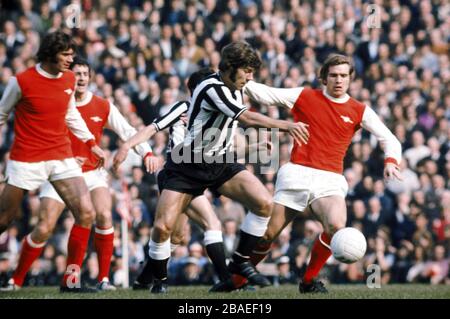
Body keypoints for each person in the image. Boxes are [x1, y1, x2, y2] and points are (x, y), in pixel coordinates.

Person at [132, 41, 309, 293]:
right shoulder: (211, 87)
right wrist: (286, 125)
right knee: (165, 229)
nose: (250, 78)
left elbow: (235, 129)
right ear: (229, 68)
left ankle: (238, 263)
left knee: (264, 203)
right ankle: (158, 281)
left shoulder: (238, 87)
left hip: (219, 162)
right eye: (246, 71)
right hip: (186, 166)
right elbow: (246, 117)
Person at [229, 53, 403, 293]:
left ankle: (308, 281)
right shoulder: (305, 95)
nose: (339, 80)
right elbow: (266, 93)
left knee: (336, 225)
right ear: (324, 78)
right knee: (268, 234)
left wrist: (391, 161)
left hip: (330, 179)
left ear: (351, 79)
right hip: (297, 173)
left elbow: (389, 139)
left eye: (344, 76)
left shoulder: (359, 110)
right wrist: (239, 77)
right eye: (334, 75)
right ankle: (237, 282)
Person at [0, 57, 157, 292]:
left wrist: (146, 153)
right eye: (77, 74)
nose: (81, 78)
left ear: (90, 78)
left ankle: (102, 279)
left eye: (85, 74)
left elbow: (127, 131)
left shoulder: (103, 105)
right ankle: (17, 280)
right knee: (44, 227)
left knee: (103, 214)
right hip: (58, 173)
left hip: (92, 173)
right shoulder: (57, 103)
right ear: (69, 77)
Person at [0, 31, 106, 292]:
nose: (71, 60)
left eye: (72, 54)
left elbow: (70, 114)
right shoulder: (21, 81)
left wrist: (92, 143)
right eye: (65, 54)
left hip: (61, 156)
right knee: (4, 219)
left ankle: (70, 281)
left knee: (87, 213)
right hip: (26, 159)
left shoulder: (69, 79)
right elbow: (1, 114)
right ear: (49, 54)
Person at [114, 68, 238, 290]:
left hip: (194, 178)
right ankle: (223, 279)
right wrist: (127, 145)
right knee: (185, 227)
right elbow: (153, 127)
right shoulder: (184, 107)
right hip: (176, 175)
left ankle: (143, 279)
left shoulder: (215, 114)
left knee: (178, 237)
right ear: (200, 89)